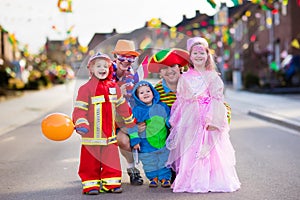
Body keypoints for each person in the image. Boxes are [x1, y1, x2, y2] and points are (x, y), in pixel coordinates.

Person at [166, 37, 241, 193]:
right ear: (190, 56)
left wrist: (214, 119)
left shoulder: (212, 76)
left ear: (207, 56)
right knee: (191, 148)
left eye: (202, 53)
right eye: (195, 53)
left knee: (209, 149)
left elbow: (217, 99)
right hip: (191, 118)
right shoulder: (185, 77)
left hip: (208, 117)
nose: (199, 56)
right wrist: (178, 119)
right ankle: (191, 179)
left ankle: (211, 179)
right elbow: (181, 100)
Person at [72, 52, 137, 195]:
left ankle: (111, 183)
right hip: (91, 137)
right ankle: (90, 184)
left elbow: (123, 108)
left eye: (105, 66)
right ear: (91, 70)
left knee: (111, 162)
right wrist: (80, 123)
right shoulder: (85, 89)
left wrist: (131, 124)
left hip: (110, 137)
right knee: (90, 163)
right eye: (98, 66)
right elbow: (79, 110)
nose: (102, 69)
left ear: (109, 69)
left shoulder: (114, 88)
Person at [111, 39, 144, 185]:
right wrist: (117, 92)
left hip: (126, 117)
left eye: (130, 59)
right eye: (122, 58)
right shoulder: (103, 71)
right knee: (122, 141)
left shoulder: (132, 76)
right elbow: (96, 94)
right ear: (116, 57)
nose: (126, 62)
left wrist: (140, 120)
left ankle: (133, 169)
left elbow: (136, 99)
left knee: (127, 141)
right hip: (107, 118)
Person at [128, 80, 172, 188]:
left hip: (162, 140)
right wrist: (135, 141)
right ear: (137, 97)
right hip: (145, 142)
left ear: (153, 93)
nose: (146, 94)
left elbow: (168, 118)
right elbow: (132, 127)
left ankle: (165, 178)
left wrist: (171, 124)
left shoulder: (162, 106)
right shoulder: (137, 110)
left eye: (148, 91)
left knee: (164, 159)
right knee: (148, 161)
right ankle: (153, 178)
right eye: (141, 93)